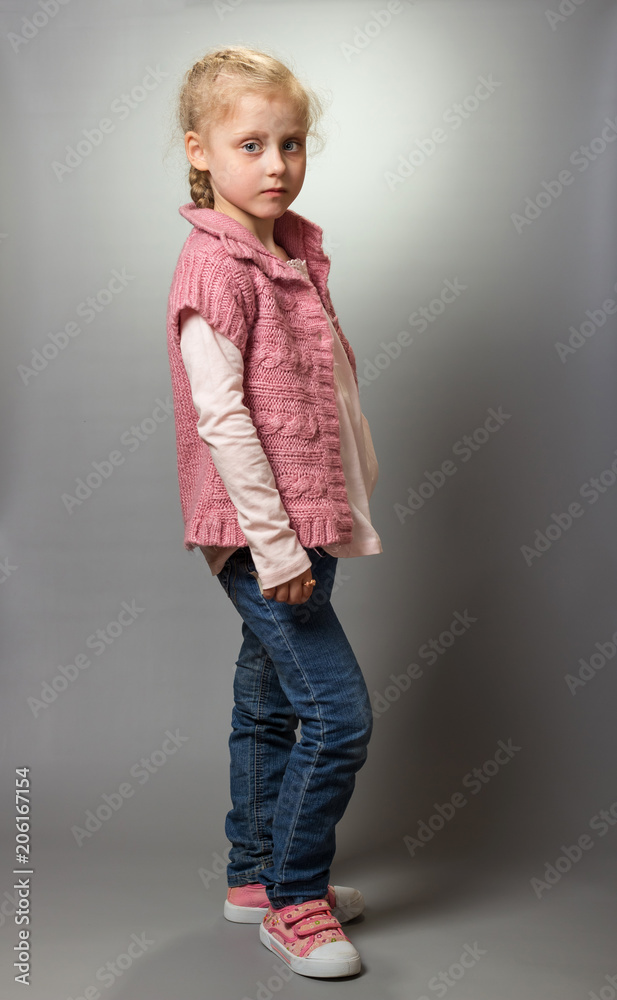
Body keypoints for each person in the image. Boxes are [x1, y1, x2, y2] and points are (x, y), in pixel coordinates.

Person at [166, 44, 382, 980]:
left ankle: (254, 876)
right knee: (338, 717)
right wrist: (278, 548)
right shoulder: (213, 269)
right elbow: (222, 419)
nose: (276, 163)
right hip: (266, 539)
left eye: (290, 143)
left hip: (309, 521)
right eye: (249, 144)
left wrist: (339, 503)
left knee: (266, 705)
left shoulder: (288, 249)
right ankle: (296, 898)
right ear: (200, 152)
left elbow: (323, 388)